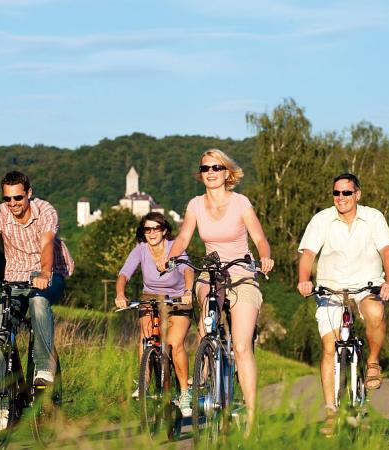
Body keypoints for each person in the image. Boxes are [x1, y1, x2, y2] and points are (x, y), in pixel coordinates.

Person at [157, 149, 274, 431]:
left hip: (241, 275)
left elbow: (259, 237)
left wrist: (265, 256)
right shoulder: (195, 205)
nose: (210, 172)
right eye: (205, 168)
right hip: (211, 274)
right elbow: (184, 235)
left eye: (216, 167)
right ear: (201, 174)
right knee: (205, 326)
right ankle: (205, 375)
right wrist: (170, 256)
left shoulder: (240, 202)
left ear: (227, 173)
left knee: (242, 345)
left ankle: (250, 416)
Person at [0, 170, 74, 430]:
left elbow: (47, 244)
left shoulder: (45, 211)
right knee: (0, 330)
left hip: (48, 275)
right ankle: (5, 407)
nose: (13, 204)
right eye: (8, 199)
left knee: (38, 302)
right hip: (14, 279)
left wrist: (44, 273)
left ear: (29, 193)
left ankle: (44, 369)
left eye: (18, 198)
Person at [297, 172, 389, 434]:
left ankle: (373, 362)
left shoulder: (373, 217)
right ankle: (331, 413)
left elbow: (387, 251)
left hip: (366, 286)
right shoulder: (321, 219)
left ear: (357, 194)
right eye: (336, 193)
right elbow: (308, 254)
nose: (341, 198)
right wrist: (304, 280)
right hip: (331, 289)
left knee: (375, 311)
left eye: (346, 193)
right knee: (329, 348)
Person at [115, 212, 195, 417]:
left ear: (164, 230)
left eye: (155, 228)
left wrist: (188, 291)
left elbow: (187, 270)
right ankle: (145, 381)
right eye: (147, 229)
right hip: (150, 296)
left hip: (177, 298)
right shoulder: (140, 250)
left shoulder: (174, 247)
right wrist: (120, 294)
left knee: (175, 343)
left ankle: (185, 392)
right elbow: (124, 273)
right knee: (146, 339)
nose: (151, 233)